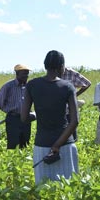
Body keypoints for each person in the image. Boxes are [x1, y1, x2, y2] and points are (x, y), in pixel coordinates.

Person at [21, 50, 79, 185]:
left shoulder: (32, 85)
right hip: (65, 145)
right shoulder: (68, 87)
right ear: (61, 66)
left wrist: (38, 114)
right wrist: (57, 145)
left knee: (43, 189)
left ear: (45, 65)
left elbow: (24, 117)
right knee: (67, 188)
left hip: (42, 144)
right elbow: (75, 121)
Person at [0, 64, 35, 149]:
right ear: (17, 73)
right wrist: (9, 111)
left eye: (27, 73)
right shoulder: (8, 86)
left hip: (26, 119)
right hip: (13, 119)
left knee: (25, 144)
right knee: (13, 145)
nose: (26, 76)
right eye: (24, 73)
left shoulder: (29, 86)